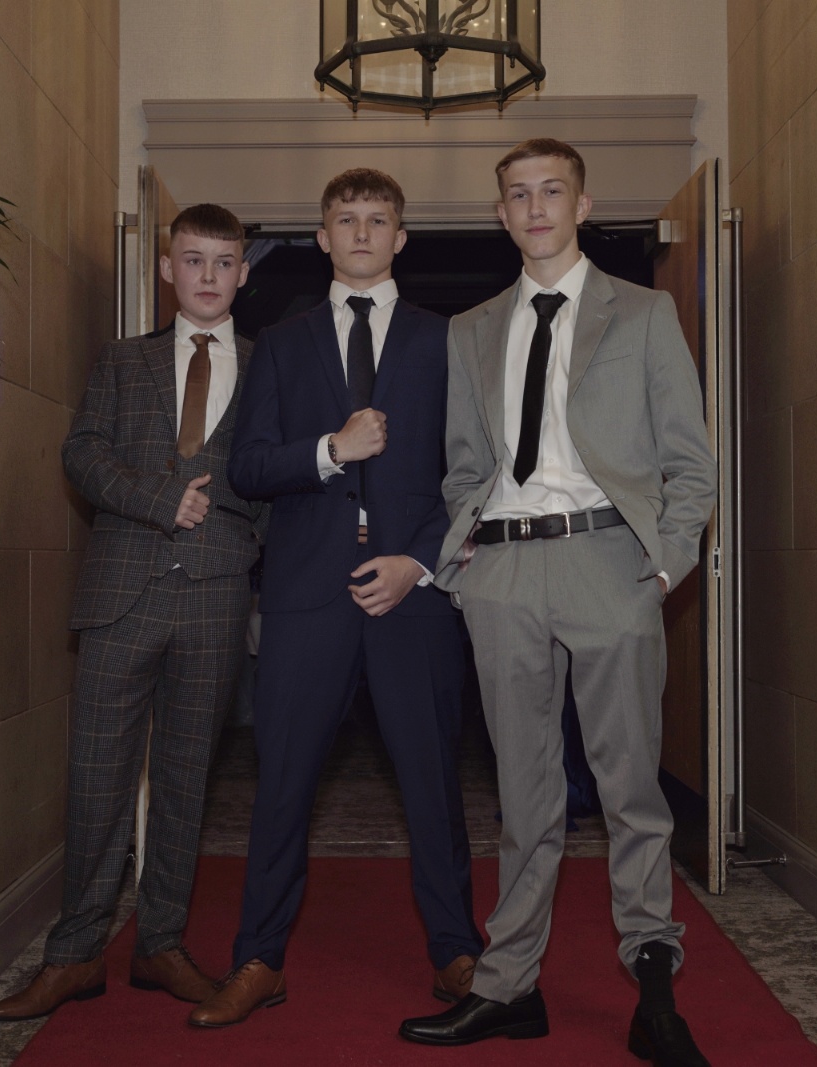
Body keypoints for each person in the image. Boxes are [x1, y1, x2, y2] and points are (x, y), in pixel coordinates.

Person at [398, 139, 718, 1066]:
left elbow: (690, 462)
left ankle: (654, 987)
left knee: (630, 788)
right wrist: (465, 565)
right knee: (524, 794)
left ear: (582, 205)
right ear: (501, 213)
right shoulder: (471, 328)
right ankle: (509, 986)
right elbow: (465, 463)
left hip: (609, 563)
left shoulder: (645, 312)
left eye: (551, 191)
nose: (535, 207)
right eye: (518, 194)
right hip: (502, 573)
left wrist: (664, 566)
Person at [188, 168, 483, 1028]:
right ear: (322, 237)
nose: (360, 232)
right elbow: (248, 467)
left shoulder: (447, 340)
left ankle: (456, 951)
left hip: (413, 597)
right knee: (281, 786)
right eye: (345, 219)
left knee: (432, 783)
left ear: (401, 237)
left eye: (377, 219)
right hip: (306, 597)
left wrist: (418, 562)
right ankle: (259, 958)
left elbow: (475, 473)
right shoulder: (281, 343)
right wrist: (329, 449)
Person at [0, 204, 262, 1022]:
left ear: (243, 274)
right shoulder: (121, 360)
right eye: (194, 259)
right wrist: (156, 499)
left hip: (216, 593)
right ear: (168, 269)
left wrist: (249, 546)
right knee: (96, 776)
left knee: (185, 778)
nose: (208, 275)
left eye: (224, 261)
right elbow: (82, 452)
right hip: (120, 592)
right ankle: (73, 954)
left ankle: (160, 944)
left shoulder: (268, 365)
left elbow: (275, 475)